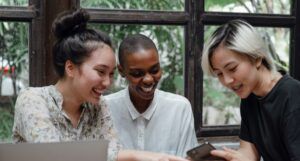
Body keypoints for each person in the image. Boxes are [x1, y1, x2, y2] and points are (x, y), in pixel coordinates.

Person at [12, 9, 189, 161]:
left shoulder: (98, 106)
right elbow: (54, 156)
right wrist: (135, 155)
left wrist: (150, 157)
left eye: (111, 74)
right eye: (100, 72)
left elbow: (113, 151)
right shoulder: (33, 100)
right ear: (71, 68)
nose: (107, 83)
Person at [201, 19, 300, 161]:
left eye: (232, 69)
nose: (227, 80)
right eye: (219, 74)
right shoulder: (250, 97)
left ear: (257, 58)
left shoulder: (293, 96)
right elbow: (248, 154)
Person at [104, 34, 198, 157]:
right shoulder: (105, 108)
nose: (148, 79)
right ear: (121, 71)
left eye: (154, 70)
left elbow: (188, 158)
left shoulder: (179, 108)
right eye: (137, 73)